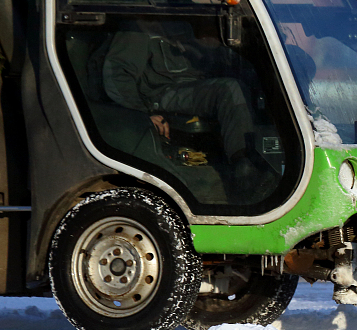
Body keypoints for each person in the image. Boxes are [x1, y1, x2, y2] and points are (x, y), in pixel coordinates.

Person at [102, 19, 276, 202]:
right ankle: (245, 170)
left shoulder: (182, 21)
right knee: (229, 90)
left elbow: (209, 57)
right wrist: (141, 114)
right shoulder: (139, 26)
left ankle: (262, 161)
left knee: (251, 82)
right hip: (161, 93)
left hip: (194, 85)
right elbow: (117, 74)